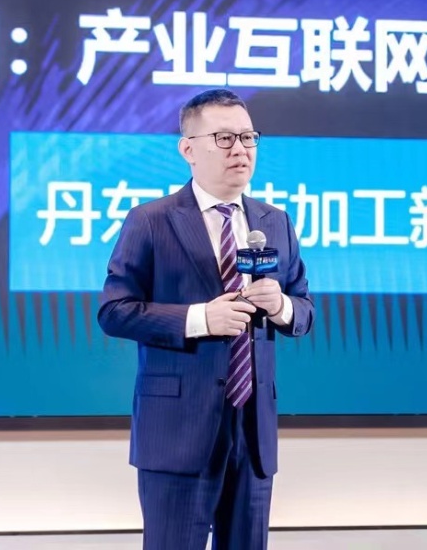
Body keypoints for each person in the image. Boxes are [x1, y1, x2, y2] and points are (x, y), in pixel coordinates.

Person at [98, 88, 315, 549]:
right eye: (224, 138)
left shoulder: (274, 222)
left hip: (252, 432)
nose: (240, 149)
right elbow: (114, 311)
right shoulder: (151, 220)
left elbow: (304, 310)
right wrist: (200, 319)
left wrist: (280, 305)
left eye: (248, 137)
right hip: (177, 430)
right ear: (188, 149)